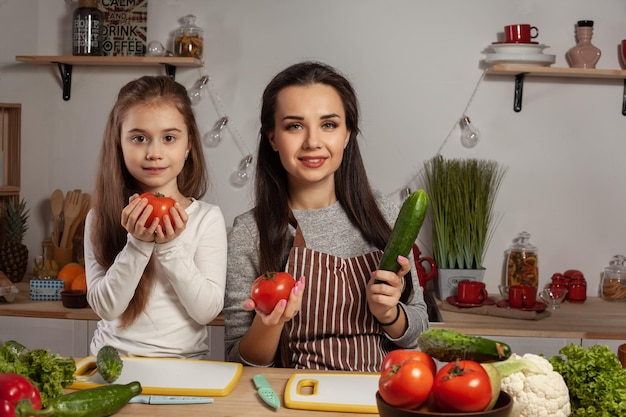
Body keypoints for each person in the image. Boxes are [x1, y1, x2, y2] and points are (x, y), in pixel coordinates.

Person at [224, 61, 429, 372]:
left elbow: (420, 327)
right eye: (294, 126)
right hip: (299, 395)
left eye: (329, 125)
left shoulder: (385, 215)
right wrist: (269, 325)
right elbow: (237, 358)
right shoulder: (250, 232)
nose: (312, 142)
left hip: (381, 391)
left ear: (347, 134)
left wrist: (390, 314)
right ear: (272, 138)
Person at [85, 75, 227, 359]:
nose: (154, 153)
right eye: (139, 138)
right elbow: (106, 308)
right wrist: (137, 244)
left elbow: (207, 312)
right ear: (119, 144)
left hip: (184, 368)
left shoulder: (206, 218)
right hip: (112, 364)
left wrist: (170, 247)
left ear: (188, 145)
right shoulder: (100, 216)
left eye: (169, 138)